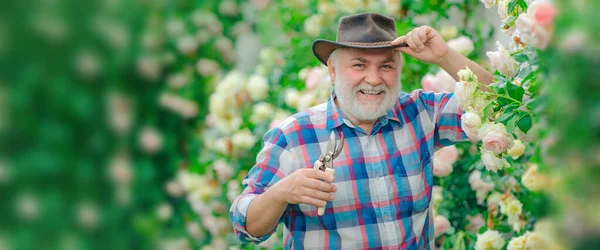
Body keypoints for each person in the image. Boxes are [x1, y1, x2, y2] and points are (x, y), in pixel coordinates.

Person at [229, 12, 494, 249]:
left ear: (399, 69)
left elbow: (497, 107)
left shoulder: (421, 113)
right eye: (359, 65)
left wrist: (444, 56)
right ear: (332, 70)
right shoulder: (294, 135)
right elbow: (245, 225)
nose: (374, 79)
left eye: (386, 66)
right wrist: (280, 193)